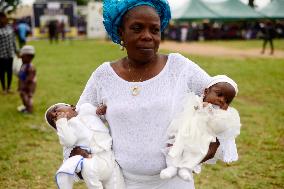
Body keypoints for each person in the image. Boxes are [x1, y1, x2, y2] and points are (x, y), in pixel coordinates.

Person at [71, 0, 238, 188]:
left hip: (173, 182)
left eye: (155, 30)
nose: (147, 36)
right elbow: (79, 119)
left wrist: (211, 141)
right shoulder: (103, 75)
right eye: (137, 28)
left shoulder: (179, 67)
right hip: (120, 181)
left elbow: (219, 94)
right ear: (120, 32)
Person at [160, 75, 241, 181]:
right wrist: (201, 107)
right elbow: (187, 111)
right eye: (219, 95)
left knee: (199, 152)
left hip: (202, 138)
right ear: (206, 91)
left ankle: (185, 168)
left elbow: (219, 127)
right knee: (176, 145)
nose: (221, 100)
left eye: (227, 101)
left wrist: (218, 115)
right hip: (186, 131)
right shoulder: (194, 100)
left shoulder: (221, 114)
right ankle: (171, 166)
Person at [45, 103, 125, 189]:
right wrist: (61, 122)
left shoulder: (85, 109)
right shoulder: (68, 127)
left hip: (109, 156)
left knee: (117, 184)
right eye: (53, 118)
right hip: (93, 159)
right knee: (88, 169)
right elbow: (69, 141)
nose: (54, 114)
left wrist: (100, 110)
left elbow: (100, 115)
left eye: (55, 109)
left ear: (72, 106)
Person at [0, 12, 18, 94]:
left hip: (10, 53)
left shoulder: (9, 28)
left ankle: (9, 88)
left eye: (4, 17)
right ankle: (4, 89)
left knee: (9, 71)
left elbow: (14, 40)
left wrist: (17, 51)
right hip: (1, 55)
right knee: (2, 72)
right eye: (2, 18)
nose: (4, 19)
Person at [17, 45, 36, 113]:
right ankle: (26, 107)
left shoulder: (30, 67)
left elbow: (30, 78)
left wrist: (25, 85)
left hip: (28, 86)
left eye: (23, 57)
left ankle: (29, 109)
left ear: (29, 57)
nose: (21, 58)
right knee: (23, 96)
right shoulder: (24, 64)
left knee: (28, 97)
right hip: (23, 85)